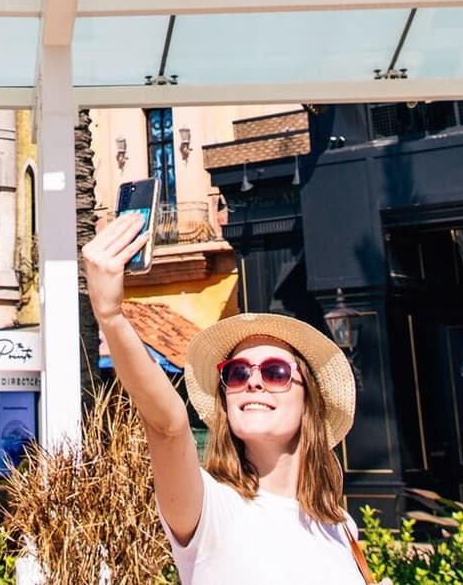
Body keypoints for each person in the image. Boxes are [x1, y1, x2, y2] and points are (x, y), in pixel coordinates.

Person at [83, 212, 376, 585]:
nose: (253, 381)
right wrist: (111, 316)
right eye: (236, 373)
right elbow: (168, 426)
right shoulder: (210, 508)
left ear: (310, 402)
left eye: (275, 372)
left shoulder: (340, 526)